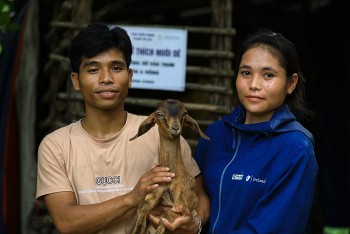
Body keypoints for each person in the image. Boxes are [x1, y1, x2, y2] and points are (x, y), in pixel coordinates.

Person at [36, 22, 210, 234]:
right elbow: (66, 221)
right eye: (93, 69)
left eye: (116, 68)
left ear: (129, 77)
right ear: (76, 81)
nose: (106, 78)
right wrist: (132, 198)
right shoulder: (57, 146)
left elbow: (199, 197)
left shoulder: (161, 132)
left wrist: (195, 224)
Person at [194, 28, 318, 233]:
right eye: (246, 73)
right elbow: (197, 199)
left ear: (291, 83)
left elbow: (273, 228)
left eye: (268, 75)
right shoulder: (214, 135)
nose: (253, 85)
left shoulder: (295, 149)